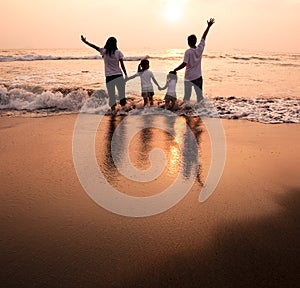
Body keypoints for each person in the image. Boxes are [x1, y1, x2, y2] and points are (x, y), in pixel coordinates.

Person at [172, 18, 215, 103]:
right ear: (195, 42)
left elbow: (184, 64)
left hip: (188, 77)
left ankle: (185, 111)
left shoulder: (188, 52)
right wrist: (208, 26)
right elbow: (204, 37)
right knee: (199, 97)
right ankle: (201, 111)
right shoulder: (200, 49)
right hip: (198, 76)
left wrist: (175, 69)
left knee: (187, 97)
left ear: (188, 42)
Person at [81, 35, 127, 110]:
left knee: (111, 95)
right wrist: (126, 74)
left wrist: (85, 42)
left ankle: (113, 111)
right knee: (122, 94)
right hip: (118, 76)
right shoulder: (118, 52)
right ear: (115, 43)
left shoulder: (104, 51)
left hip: (109, 76)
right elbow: (122, 65)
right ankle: (123, 110)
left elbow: (94, 47)